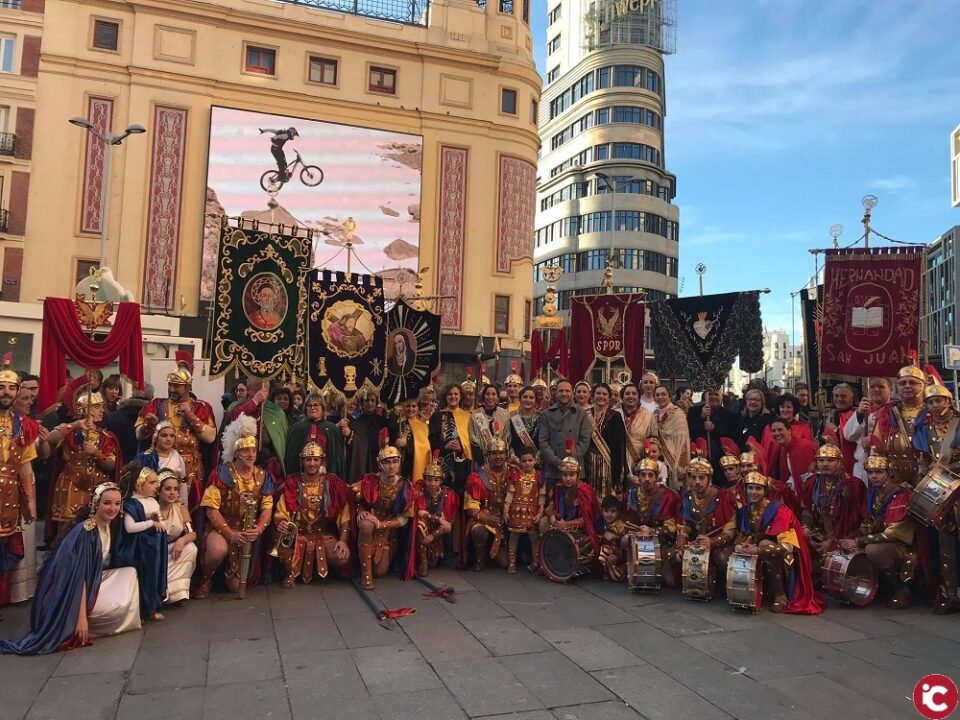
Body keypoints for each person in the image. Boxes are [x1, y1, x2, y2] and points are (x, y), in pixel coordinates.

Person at [0, 482, 141, 655]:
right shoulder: (87, 532)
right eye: (107, 503)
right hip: (71, 593)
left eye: (117, 504)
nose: (113, 508)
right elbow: (78, 577)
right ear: (96, 503)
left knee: (130, 574)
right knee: (119, 605)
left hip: (90, 582)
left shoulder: (105, 525)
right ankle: (84, 623)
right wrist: (80, 617)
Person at [195, 415, 275, 599]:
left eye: (253, 450)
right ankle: (205, 581)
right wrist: (230, 534)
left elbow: (267, 508)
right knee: (217, 550)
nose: (250, 454)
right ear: (236, 452)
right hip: (223, 526)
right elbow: (211, 509)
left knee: (235, 587)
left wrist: (259, 529)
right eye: (245, 450)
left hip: (248, 530)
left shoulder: (263, 477)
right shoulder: (222, 474)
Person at [733, 472, 824, 614]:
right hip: (760, 549)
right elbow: (742, 535)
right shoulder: (745, 511)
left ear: (765, 491)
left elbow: (788, 547)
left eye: (758, 488)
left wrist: (758, 550)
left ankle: (781, 596)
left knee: (764, 544)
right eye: (750, 488)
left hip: (787, 556)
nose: (753, 492)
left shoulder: (779, 511)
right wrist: (739, 545)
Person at [837, 451, 917, 609]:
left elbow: (893, 533)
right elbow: (867, 523)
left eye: (879, 472)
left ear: (888, 473)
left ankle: (901, 589)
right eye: (870, 472)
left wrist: (858, 541)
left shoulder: (901, 495)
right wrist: (849, 538)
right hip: (880, 539)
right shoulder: (873, 492)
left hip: (902, 545)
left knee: (872, 550)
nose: (873, 476)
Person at [911, 372, 960, 613]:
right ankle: (950, 594)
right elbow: (922, 459)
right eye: (930, 402)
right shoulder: (924, 428)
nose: (934, 405)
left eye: (938, 400)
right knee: (945, 544)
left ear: (948, 401)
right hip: (941, 492)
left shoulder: (958, 423)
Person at [45, 386, 119, 544]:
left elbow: (112, 466)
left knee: (95, 537)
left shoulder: (106, 437)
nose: (102, 410)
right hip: (70, 489)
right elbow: (50, 439)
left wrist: (96, 453)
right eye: (97, 406)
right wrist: (77, 424)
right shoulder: (69, 432)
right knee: (66, 537)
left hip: (96, 492)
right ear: (84, 409)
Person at [137, 362, 216, 508]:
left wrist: (191, 416)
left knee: (186, 512)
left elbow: (210, 437)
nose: (172, 389)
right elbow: (138, 435)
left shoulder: (201, 407)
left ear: (187, 386)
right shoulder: (155, 405)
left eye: (177, 386)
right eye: (170, 385)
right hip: (158, 467)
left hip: (190, 471)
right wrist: (150, 425)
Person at [273, 442, 351, 587]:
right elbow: (281, 512)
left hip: (321, 534)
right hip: (297, 534)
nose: (312, 463)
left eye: (316, 459)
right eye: (308, 459)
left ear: (322, 461)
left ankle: (315, 566)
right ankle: (289, 572)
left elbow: (344, 516)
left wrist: (343, 540)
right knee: (283, 535)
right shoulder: (292, 482)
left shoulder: (332, 483)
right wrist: (281, 521)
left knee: (341, 558)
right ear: (302, 461)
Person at [0, 368, 39, 611]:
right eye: (2, 386)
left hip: (8, 498)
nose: (6, 392)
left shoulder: (20, 425)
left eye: (12, 388)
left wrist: (31, 501)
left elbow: (25, 466)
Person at [352, 445, 415, 588]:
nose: (391, 466)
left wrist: (381, 524)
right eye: (387, 462)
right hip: (370, 524)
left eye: (395, 461)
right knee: (366, 524)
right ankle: (366, 575)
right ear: (380, 464)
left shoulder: (405, 486)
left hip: (387, 532)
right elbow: (354, 498)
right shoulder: (370, 480)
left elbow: (404, 519)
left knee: (380, 572)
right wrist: (361, 511)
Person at [671, 451, 736, 589]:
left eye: (701, 478)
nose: (697, 482)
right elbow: (684, 529)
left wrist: (711, 542)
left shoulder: (724, 497)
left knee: (722, 558)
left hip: (718, 542)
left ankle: (722, 585)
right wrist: (681, 546)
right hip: (695, 541)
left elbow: (730, 531)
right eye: (693, 478)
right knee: (674, 556)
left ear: (709, 478)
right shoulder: (686, 498)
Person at [113, 465, 168, 622]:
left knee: (153, 576)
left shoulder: (152, 502)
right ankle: (138, 610)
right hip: (138, 550)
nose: (156, 486)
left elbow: (159, 521)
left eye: (157, 482)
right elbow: (130, 528)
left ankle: (151, 607)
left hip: (153, 548)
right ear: (139, 484)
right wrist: (150, 524)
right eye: (151, 482)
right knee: (141, 578)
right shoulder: (131, 504)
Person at [538, 441, 603, 571]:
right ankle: (545, 562)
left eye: (571, 475)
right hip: (559, 525)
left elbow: (587, 520)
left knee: (585, 542)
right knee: (544, 521)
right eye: (565, 475)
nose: (568, 478)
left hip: (580, 530)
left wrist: (566, 525)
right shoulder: (558, 488)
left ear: (578, 475)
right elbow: (550, 508)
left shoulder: (584, 491)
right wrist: (551, 517)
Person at [799, 441, 864, 567]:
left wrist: (832, 541)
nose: (825, 464)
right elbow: (806, 509)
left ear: (840, 462)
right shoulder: (811, 482)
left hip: (845, 535)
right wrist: (806, 528)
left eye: (830, 460)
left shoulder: (852, 486)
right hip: (819, 533)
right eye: (821, 460)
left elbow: (851, 521)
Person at [621, 456, 680, 586]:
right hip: (638, 535)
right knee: (624, 540)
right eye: (643, 475)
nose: (647, 478)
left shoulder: (669, 496)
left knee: (670, 582)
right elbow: (626, 521)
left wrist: (651, 531)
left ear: (656, 476)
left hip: (662, 539)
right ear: (639, 476)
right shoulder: (631, 494)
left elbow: (671, 528)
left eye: (650, 475)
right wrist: (633, 530)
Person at [461, 439, 516, 571]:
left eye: (501, 453)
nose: (498, 456)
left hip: (509, 520)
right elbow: (471, 507)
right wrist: (486, 519)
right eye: (494, 453)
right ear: (488, 455)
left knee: (505, 564)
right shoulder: (478, 475)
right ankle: (481, 557)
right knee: (478, 530)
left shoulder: (514, 472)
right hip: (486, 518)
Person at [874, 360, 926, 486]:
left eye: (913, 382)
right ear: (897, 387)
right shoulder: (888, 412)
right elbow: (877, 449)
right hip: (894, 481)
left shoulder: (932, 412)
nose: (907, 386)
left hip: (926, 479)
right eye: (902, 383)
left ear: (922, 386)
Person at [538, 379, 594, 491]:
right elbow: (543, 441)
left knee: (575, 505)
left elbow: (585, 440)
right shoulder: (547, 414)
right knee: (553, 506)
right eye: (561, 391)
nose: (564, 394)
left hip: (575, 470)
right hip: (554, 470)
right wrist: (556, 462)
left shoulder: (582, 414)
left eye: (567, 391)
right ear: (556, 393)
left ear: (572, 393)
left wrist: (570, 463)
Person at [415, 452, 459, 576]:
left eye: (436, 480)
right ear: (424, 479)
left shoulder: (448, 495)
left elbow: (448, 524)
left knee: (434, 563)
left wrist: (433, 536)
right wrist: (438, 520)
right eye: (429, 480)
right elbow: (420, 512)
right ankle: (422, 561)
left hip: (438, 532)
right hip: (424, 526)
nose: (432, 483)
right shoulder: (420, 491)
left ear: (441, 481)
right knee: (419, 524)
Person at [503, 447, 545, 573]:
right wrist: (506, 510)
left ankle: (536, 563)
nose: (527, 463)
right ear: (519, 461)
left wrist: (540, 513)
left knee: (534, 538)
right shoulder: (515, 475)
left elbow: (542, 498)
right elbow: (509, 495)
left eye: (530, 460)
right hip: (516, 510)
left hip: (532, 511)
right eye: (524, 461)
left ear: (535, 460)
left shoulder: (540, 476)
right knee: (513, 537)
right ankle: (511, 563)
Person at [157, 470, 197, 604]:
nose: (172, 492)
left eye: (175, 489)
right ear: (159, 490)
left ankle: (176, 592)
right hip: (154, 552)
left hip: (171, 549)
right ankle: (159, 591)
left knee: (191, 548)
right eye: (167, 489)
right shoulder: (150, 508)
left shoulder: (180, 508)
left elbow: (192, 534)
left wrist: (181, 540)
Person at [687, 387, 739, 488]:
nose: (713, 397)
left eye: (716, 394)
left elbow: (732, 436)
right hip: (700, 458)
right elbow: (688, 430)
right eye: (710, 394)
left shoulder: (730, 415)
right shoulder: (694, 411)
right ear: (705, 395)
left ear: (721, 396)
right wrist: (701, 417)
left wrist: (714, 429)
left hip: (721, 460)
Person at [285, 392, 346, 478]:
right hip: (302, 477)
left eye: (316, 405)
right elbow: (292, 457)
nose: (312, 408)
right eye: (309, 405)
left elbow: (336, 458)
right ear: (305, 409)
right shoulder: (297, 429)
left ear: (323, 408)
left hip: (326, 476)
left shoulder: (332, 429)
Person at [843, 377, 893, 482]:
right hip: (862, 468)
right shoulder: (864, 410)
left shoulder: (895, 410)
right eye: (872, 386)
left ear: (890, 390)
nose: (876, 390)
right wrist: (859, 413)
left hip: (886, 469)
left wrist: (875, 441)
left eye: (881, 387)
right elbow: (848, 435)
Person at [429, 383, 473, 496]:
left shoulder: (468, 417)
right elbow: (431, 439)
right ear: (445, 396)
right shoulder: (436, 416)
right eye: (450, 394)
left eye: (456, 394)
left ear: (460, 396)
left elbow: (472, 441)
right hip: (441, 462)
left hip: (462, 464)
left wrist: (462, 447)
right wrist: (445, 445)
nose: (453, 397)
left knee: (459, 494)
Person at [585, 382, 627, 497]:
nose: (601, 396)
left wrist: (618, 470)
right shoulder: (586, 415)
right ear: (592, 396)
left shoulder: (615, 416)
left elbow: (619, 445)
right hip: (589, 462)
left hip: (608, 463)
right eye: (598, 393)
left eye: (604, 394)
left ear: (609, 397)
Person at [104, 383, 154, 473]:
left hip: (119, 467)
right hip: (147, 469)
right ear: (152, 396)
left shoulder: (114, 416)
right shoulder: (155, 418)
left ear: (133, 393)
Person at [136, 421, 188, 504]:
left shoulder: (177, 457)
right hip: (151, 501)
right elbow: (140, 485)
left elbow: (182, 484)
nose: (168, 439)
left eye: (172, 436)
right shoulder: (146, 457)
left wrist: (183, 505)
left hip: (173, 501)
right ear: (156, 437)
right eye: (164, 435)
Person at [343, 387, 389, 480]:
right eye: (367, 400)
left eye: (372, 400)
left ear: (376, 403)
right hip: (362, 459)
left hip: (378, 457)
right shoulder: (356, 422)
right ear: (362, 403)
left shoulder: (383, 421)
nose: (370, 403)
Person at [766, 418, 817, 494]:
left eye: (780, 430)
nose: (776, 433)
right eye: (773, 431)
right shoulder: (784, 447)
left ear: (789, 431)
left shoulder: (803, 447)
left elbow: (808, 477)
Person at [652, 385, 689, 489]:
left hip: (674, 458)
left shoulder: (678, 413)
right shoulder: (654, 414)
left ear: (669, 397)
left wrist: (681, 465)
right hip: (658, 459)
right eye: (657, 395)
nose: (660, 397)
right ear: (654, 398)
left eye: (663, 394)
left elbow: (683, 441)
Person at [469, 384, 511, 466]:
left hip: (500, 460)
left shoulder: (504, 414)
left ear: (497, 397)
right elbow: (473, 440)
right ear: (483, 396)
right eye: (488, 394)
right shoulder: (475, 414)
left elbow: (507, 438)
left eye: (493, 394)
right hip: (481, 460)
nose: (490, 397)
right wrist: (483, 462)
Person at [822, 383, 858, 477]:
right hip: (831, 463)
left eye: (843, 396)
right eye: (836, 396)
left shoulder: (856, 415)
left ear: (852, 399)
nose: (839, 399)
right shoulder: (829, 415)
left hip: (851, 462)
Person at [620, 383, 656, 470]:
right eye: (627, 393)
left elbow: (653, 438)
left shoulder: (648, 415)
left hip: (639, 462)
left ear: (639, 396)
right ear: (622, 396)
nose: (630, 396)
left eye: (634, 394)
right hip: (617, 459)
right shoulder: (614, 413)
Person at [598, 495, 629, 581]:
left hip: (619, 558)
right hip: (603, 554)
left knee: (605, 549)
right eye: (606, 511)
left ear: (618, 513)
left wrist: (618, 558)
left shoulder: (621, 527)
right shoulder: (599, 524)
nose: (609, 514)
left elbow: (626, 551)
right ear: (602, 511)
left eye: (613, 511)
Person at [508, 386, 541, 460]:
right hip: (517, 462)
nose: (528, 400)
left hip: (536, 462)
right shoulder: (513, 417)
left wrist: (537, 458)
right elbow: (509, 441)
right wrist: (513, 456)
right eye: (525, 397)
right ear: (520, 399)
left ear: (535, 400)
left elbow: (544, 441)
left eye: (531, 397)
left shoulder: (542, 418)